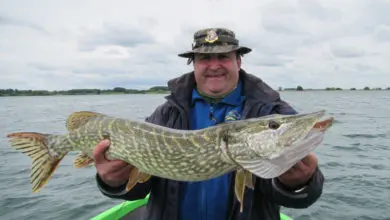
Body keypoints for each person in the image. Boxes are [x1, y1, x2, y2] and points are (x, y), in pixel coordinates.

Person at [93, 28, 325, 220]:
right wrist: (113, 181)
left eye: (223, 56)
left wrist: (298, 183)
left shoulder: (271, 112)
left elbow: (302, 198)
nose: (214, 65)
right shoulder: (166, 114)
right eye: (204, 58)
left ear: (238, 61)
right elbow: (139, 187)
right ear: (193, 64)